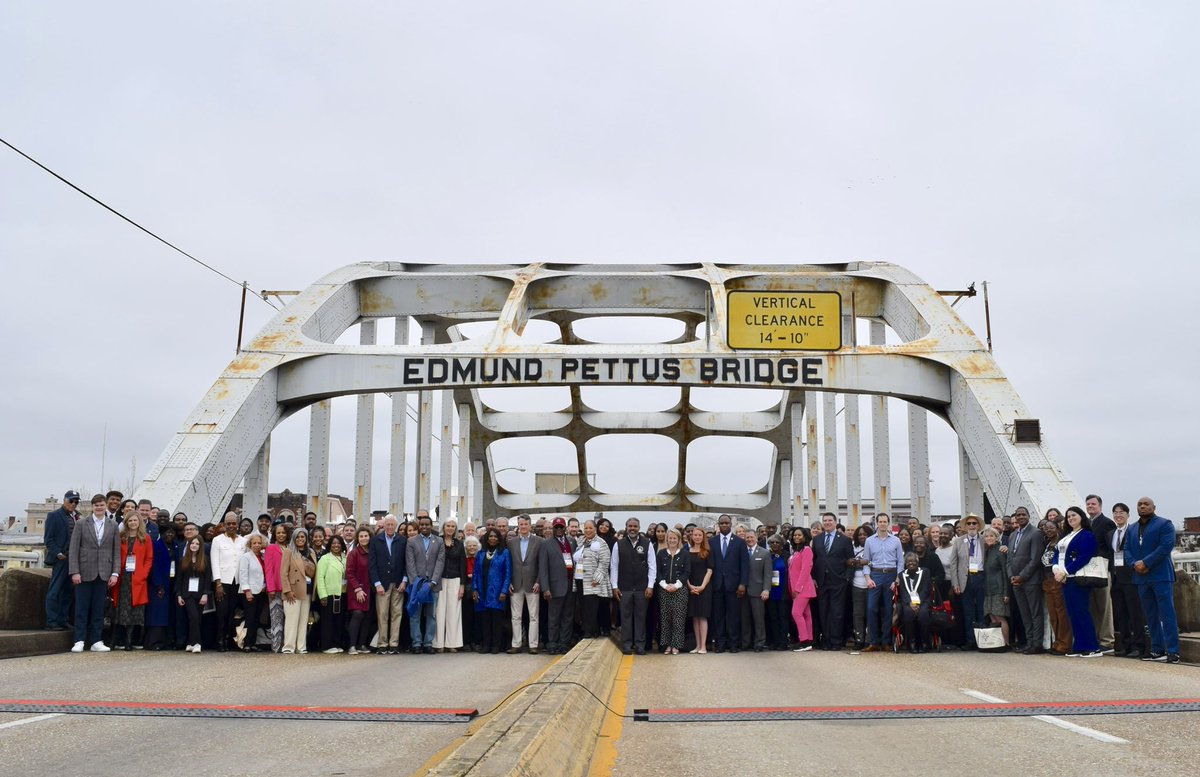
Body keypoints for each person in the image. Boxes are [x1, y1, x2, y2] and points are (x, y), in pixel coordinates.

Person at [1126, 497, 1181, 663]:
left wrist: (1146, 562)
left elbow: (1166, 546)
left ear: (1153, 507)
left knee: (1167, 613)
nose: (1142, 506)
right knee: (1150, 615)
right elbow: (1127, 548)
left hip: (1161, 575)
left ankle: (1173, 651)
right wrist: (1134, 564)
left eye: (1146, 504)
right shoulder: (1132, 528)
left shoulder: (1165, 524)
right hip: (1141, 577)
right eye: (1139, 504)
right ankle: (1157, 649)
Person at [68, 495, 120, 652]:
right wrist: (75, 571)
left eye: (101, 505)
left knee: (99, 608)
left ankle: (96, 640)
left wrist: (115, 573)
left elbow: (116, 551)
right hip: (84, 572)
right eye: (96, 505)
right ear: (92, 507)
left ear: (105, 506)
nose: (99, 508)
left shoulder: (113, 525)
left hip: (104, 572)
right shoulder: (81, 523)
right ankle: (79, 640)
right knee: (81, 608)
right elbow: (74, 549)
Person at [1053, 506, 1102, 658]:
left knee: (1082, 611)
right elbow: (1057, 553)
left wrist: (1065, 571)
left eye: (1074, 515)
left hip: (1077, 578)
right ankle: (1080, 645)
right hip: (1064, 579)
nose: (1071, 518)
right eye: (1068, 516)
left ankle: (1092, 646)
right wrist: (1056, 568)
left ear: (1081, 516)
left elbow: (1084, 557)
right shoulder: (1066, 535)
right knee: (1072, 612)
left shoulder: (1086, 534)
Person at [611, 517, 656, 656]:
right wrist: (614, 586)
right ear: (626, 527)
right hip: (624, 587)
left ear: (639, 527)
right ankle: (627, 644)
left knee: (641, 617)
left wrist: (650, 586)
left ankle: (640, 644)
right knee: (625, 617)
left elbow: (652, 567)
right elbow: (614, 567)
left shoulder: (647, 543)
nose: (632, 528)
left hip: (642, 588)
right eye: (630, 526)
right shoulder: (619, 544)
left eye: (635, 526)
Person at [1107, 503, 1146, 658]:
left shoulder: (1134, 531)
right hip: (1116, 578)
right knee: (1121, 613)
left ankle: (1139, 646)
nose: (1118, 515)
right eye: (1115, 513)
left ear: (1128, 515)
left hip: (1131, 577)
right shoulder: (1111, 533)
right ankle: (1125, 645)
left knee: (1135, 613)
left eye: (1121, 512)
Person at [811, 512, 854, 651]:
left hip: (839, 580)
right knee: (824, 611)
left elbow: (851, 561)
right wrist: (813, 578)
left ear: (835, 522)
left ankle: (836, 641)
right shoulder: (817, 539)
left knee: (837, 612)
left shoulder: (845, 540)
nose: (827, 522)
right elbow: (814, 560)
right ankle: (826, 640)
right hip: (822, 581)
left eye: (830, 520)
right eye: (825, 520)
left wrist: (847, 578)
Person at [1006, 506, 1047, 654]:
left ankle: (1037, 644)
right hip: (1016, 581)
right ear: (1015, 518)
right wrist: (1012, 576)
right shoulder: (1012, 535)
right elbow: (1009, 559)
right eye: (1018, 515)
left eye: (1024, 514)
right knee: (1025, 613)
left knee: (1035, 613)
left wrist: (1022, 576)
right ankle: (1029, 642)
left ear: (1029, 516)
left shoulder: (1035, 533)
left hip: (1030, 580)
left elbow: (1035, 559)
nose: (1021, 517)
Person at [111, 509, 154, 650]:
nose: (133, 523)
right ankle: (118, 640)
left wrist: (144, 574)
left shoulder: (145, 537)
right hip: (123, 577)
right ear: (126, 522)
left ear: (139, 522)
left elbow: (149, 559)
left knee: (135, 609)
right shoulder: (121, 536)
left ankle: (130, 640)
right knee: (121, 608)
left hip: (137, 578)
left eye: (135, 520)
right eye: (130, 520)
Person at [862, 513, 903, 652]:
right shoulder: (869, 541)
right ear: (876, 523)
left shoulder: (896, 541)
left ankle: (886, 642)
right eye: (880, 521)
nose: (883, 524)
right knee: (871, 608)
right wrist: (868, 578)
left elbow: (900, 562)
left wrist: (897, 580)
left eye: (885, 521)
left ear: (888, 523)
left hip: (891, 575)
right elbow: (866, 561)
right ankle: (874, 642)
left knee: (888, 610)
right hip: (875, 575)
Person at [406, 512, 445, 654]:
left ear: (431, 526)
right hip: (417, 585)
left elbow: (440, 562)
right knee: (415, 615)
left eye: (427, 524)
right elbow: (410, 564)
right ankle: (416, 643)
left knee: (431, 615)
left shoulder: (439, 541)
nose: (424, 527)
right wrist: (417, 582)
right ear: (419, 526)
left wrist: (433, 581)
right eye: (421, 524)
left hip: (433, 585)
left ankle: (428, 643)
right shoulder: (411, 541)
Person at [368, 515, 408, 654]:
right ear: (383, 526)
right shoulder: (375, 541)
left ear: (396, 526)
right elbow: (372, 564)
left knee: (397, 614)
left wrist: (404, 580)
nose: (390, 527)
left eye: (392, 525)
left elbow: (406, 563)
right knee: (382, 614)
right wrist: (377, 583)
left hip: (398, 583)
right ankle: (382, 643)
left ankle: (394, 643)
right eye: (388, 524)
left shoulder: (403, 541)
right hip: (382, 584)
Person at [709, 514, 748, 653]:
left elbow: (744, 565)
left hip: (734, 585)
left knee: (733, 615)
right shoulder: (711, 541)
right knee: (718, 615)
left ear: (731, 524)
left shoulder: (739, 542)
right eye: (722, 523)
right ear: (718, 525)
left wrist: (743, 583)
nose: (724, 525)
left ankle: (733, 643)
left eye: (727, 523)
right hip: (717, 585)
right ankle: (720, 643)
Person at [538, 517, 577, 655]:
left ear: (565, 528)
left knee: (567, 616)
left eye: (561, 527)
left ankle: (563, 643)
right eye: (556, 527)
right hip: (554, 587)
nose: (559, 530)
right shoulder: (546, 544)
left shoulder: (571, 542)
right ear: (553, 529)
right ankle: (552, 643)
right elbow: (543, 568)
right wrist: (545, 588)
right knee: (554, 617)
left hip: (570, 586)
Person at [210, 511, 248, 652]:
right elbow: (215, 562)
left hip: (237, 582)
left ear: (237, 525)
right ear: (224, 525)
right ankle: (220, 640)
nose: (231, 526)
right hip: (223, 582)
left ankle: (230, 639)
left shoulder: (243, 541)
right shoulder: (217, 540)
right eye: (228, 524)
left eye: (234, 523)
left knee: (233, 612)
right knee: (222, 612)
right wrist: (218, 583)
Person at [44, 490, 80, 632]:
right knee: (55, 590)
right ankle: (51, 621)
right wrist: (58, 553)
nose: (73, 504)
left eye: (76, 502)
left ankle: (63, 619)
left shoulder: (77, 517)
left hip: (73, 560)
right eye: (71, 501)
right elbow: (48, 539)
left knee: (68, 591)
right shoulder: (54, 516)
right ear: (65, 500)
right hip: (61, 559)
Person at [1084, 494, 1116, 652]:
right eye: (1088, 504)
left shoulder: (1107, 523)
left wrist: (1110, 570)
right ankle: (1097, 638)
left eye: (1093, 504)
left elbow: (1111, 548)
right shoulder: (1086, 523)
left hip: (1102, 569)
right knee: (1092, 606)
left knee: (1104, 606)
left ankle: (1107, 640)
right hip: (1088, 571)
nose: (1090, 506)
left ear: (1100, 506)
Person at [507, 514, 543, 654]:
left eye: (525, 524)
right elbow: (509, 564)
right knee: (516, 616)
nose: (523, 527)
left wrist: (538, 581)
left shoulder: (538, 541)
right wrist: (509, 581)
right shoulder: (512, 542)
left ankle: (533, 645)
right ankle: (516, 644)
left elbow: (541, 564)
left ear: (530, 526)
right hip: (515, 583)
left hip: (532, 583)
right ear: (518, 525)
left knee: (533, 616)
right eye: (521, 524)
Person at [472, 528, 511, 653]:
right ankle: (486, 645)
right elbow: (475, 573)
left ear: (499, 539)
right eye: (490, 536)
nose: (493, 538)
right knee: (485, 620)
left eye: (495, 536)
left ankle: (496, 646)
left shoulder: (504, 553)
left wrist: (504, 591)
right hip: (482, 591)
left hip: (497, 592)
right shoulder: (481, 553)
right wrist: (475, 589)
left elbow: (508, 574)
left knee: (497, 620)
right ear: (487, 538)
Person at [1039, 519, 1073, 655]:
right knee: (1053, 615)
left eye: (1051, 527)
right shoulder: (1047, 544)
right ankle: (1057, 642)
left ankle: (1065, 644)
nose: (1048, 530)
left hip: (1058, 580)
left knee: (1062, 614)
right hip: (1047, 581)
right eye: (1046, 528)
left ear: (1057, 527)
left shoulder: (1061, 542)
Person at [281, 527, 316, 655]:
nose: (300, 539)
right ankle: (289, 647)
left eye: (303, 537)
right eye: (298, 537)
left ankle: (301, 647)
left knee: (303, 620)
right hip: (293, 590)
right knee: (291, 620)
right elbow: (283, 573)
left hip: (307, 590)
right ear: (294, 538)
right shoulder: (288, 551)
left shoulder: (311, 552)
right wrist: (287, 590)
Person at [434, 519, 468, 653]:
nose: (450, 528)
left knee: (454, 613)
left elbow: (462, 565)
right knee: (439, 612)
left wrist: (462, 585)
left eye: (453, 526)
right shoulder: (437, 541)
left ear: (455, 529)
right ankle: (438, 643)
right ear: (444, 527)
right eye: (448, 526)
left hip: (455, 580)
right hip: (440, 579)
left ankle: (452, 643)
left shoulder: (459, 544)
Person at [655, 528, 690, 655]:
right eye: (670, 538)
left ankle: (676, 645)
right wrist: (664, 585)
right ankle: (667, 645)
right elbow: (657, 572)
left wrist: (676, 585)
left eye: (675, 538)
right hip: (664, 590)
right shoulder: (662, 553)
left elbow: (687, 572)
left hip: (680, 590)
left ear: (679, 539)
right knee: (665, 619)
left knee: (678, 619)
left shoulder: (685, 554)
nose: (672, 540)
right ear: (667, 539)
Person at [576, 520, 612, 639]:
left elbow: (604, 561)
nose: (587, 530)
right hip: (580, 578)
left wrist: (597, 578)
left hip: (593, 581)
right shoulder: (581, 541)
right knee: (583, 606)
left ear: (595, 529)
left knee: (592, 607)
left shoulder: (601, 543)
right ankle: (586, 629)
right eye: (586, 528)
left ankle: (590, 631)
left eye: (590, 528)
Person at [176, 536, 212, 652]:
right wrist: (179, 594)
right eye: (192, 543)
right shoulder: (183, 560)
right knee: (193, 616)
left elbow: (207, 579)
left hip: (200, 593)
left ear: (200, 546)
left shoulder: (205, 560)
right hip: (187, 594)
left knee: (197, 618)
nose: (194, 545)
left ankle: (191, 642)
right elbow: (179, 579)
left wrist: (206, 593)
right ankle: (197, 643)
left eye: (197, 544)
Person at [741, 528, 771, 652]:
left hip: (758, 591)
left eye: (751, 537)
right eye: (747, 537)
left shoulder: (764, 553)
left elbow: (768, 574)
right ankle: (746, 643)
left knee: (759, 619)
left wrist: (766, 589)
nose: (749, 539)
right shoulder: (741, 552)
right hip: (742, 591)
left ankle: (759, 642)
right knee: (744, 619)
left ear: (756, 537)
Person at [145, 524, 175, 649]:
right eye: (167, 532)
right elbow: (154, 567)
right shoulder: (156, 546)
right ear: (162, 534)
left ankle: (166, 642)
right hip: (158, 586)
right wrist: (159, 585)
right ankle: (154, 642)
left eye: (172, 533)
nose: (170, 535)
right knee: (157, 615)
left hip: (171, 584)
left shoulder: (174, 546)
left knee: (168, 615)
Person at [316, 535, 347, 653]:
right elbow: (320, 577)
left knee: (339, 621)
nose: (336, 545)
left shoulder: (345, 558)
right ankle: (327, 645)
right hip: (329, 594)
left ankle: (336, 643)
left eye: (338, 543)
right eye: (333, 543)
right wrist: (322, 595)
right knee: (327, 621)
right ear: (330, 545)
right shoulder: (325, 558)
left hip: (342, 593)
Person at [981, 527, 1012, 646]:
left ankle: (1006, 643)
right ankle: (998, 643)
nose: (989, 538)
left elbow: (1005, 573)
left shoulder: (1000, 551)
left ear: (997, 537)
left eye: (991, 536)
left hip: (999, 589)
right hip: (988, 590)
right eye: (987, 536)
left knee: (1000, 617)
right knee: (992, 617)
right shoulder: (987, 551)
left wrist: (1006, 593)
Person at [346, 527, 374, 654]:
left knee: (368, 616)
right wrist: (357, 589)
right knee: (357, 614)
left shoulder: (372, 552)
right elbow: (349, 573)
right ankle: (352, 645)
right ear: (358, 538)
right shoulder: (354, 553)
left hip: (370, 589)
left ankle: (362, 644)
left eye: (366, 536)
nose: (364, 538)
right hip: (356, 589)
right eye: (361, 536)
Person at [788, 527, 817, 651]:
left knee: (796, 613)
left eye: (799, 535)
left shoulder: (806, 550)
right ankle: (809, 640)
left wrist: (797, 588)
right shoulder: (796, 551)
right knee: (806, 614)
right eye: (795, 535)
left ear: (805, 536)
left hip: (802, 588)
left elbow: (806, 570)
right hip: (797, 588)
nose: (797, 537)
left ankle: (804, 641)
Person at [686, 527, 714, 653]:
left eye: (699, 535)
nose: (697, 537)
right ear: (692, 537)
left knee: (702, 617)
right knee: (695, 617)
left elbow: (710, 570)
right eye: (695, 535)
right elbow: (684, 571)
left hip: (704, 587)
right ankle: (697, 645)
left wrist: (702, 586)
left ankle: (703, 646)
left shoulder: (707, 551)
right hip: (691, 587)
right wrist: (690, 586)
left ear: (703, 537)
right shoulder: (687, 551)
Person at [899, 552, 934, 653]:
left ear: (917, 562)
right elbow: (903, 591)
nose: (911, 563)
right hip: (908, 603)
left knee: (923, 614)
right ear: (905, 563)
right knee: (908, 614)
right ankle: (912, 643)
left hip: (923, 601)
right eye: (908, 561)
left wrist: (918, 602)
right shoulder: (901, 575)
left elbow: (926, 590)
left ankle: (924, 642)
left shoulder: (925, 572)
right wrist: (910, 603)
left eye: (913, 561)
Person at [238, 533, 267, 652]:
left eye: (259, 543)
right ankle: (246, 644)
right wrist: (247, 591)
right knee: (249, 618)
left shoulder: (263, 557)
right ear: (250, 544)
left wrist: (264, 585)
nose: (257, 545)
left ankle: (253, 642)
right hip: (249, 592)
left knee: (257, 618)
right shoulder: (246, 557)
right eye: (254, 543)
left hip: (261, 591)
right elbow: (242, 574)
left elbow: (265, 574)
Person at [264, 523, 289, 652]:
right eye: (278, 533)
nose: (281, 535)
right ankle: (276, 646)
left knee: (288, 618)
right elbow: (268, 569)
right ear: (274, 534)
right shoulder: (271, 548)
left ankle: (287, 645)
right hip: (276, 588)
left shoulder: (290, 547)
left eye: (283, 533)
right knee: (276, 618)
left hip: (289, 589)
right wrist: (271, 588)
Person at [765, 536, 790, 650]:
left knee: (783, 617)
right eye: (772, 542)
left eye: (777, 542)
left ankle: (783, 642)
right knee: (773, 617)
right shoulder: (767, 556)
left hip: (784, 591)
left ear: (782, 544)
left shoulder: (787, 556)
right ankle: (775, 642)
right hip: (771, 591)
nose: (774, 544)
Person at [849, 525, 871, 650]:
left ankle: (869, 639)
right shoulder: (852, 547)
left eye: (865, 534)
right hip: (856, 585)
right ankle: (859, 639)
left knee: (870, 613)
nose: (862, 536)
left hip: (871, 584)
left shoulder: (874, 546)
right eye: (860, 534)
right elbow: (848, 562)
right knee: (858, 613)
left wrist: (864, 562)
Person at [463, 535, 482, 650]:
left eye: (474, 545)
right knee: (466, 617)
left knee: (478, 617)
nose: (472, 548)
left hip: (478, 589)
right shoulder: (463, 558)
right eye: (469, 545)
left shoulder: (480, 558)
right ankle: (466, 642)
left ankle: (477, 641)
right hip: (466, 589)